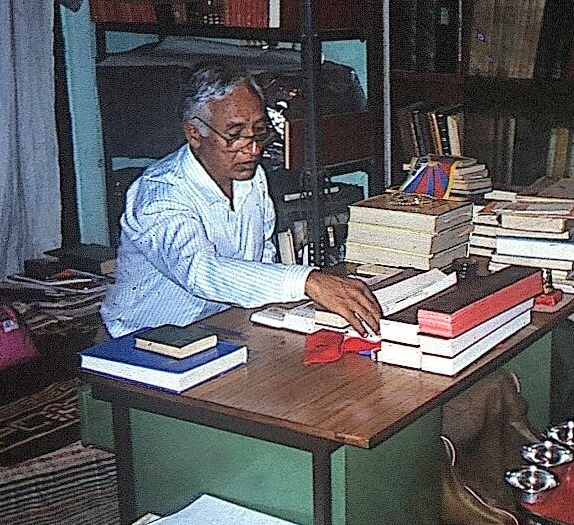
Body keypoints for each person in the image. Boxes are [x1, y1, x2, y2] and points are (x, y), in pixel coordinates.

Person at [100, 64, 382, 339]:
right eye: (234, 135)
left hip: (220, 327)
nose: (253, 148)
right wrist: (307, 281)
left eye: (259, 131)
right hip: (141, 340)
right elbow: (199, 271)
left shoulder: (252, 177)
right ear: (194, 133)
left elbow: (263, 256)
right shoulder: (160, 193)